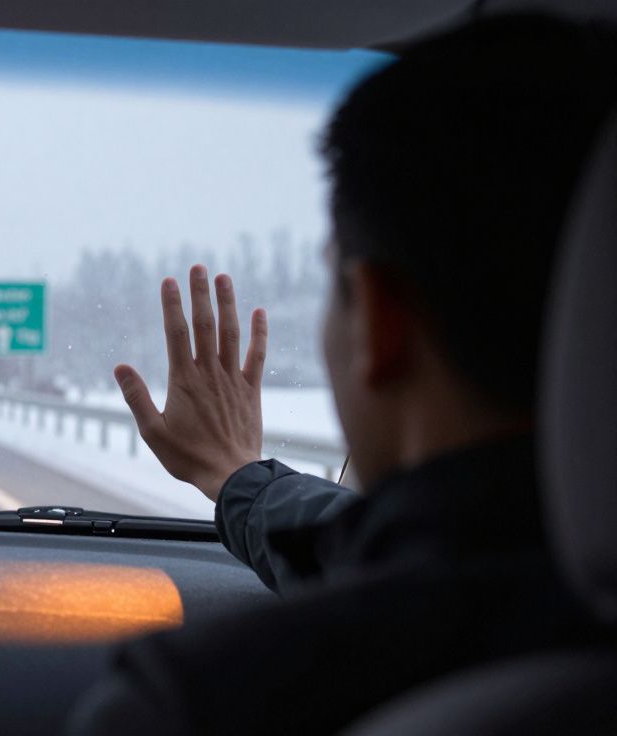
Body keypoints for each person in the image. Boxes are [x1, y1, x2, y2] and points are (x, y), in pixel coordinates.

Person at [68, 14, 617, 735]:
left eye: (334, 284)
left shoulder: (194, 703)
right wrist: (241, 480)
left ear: (382, 322)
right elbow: (355, 540)